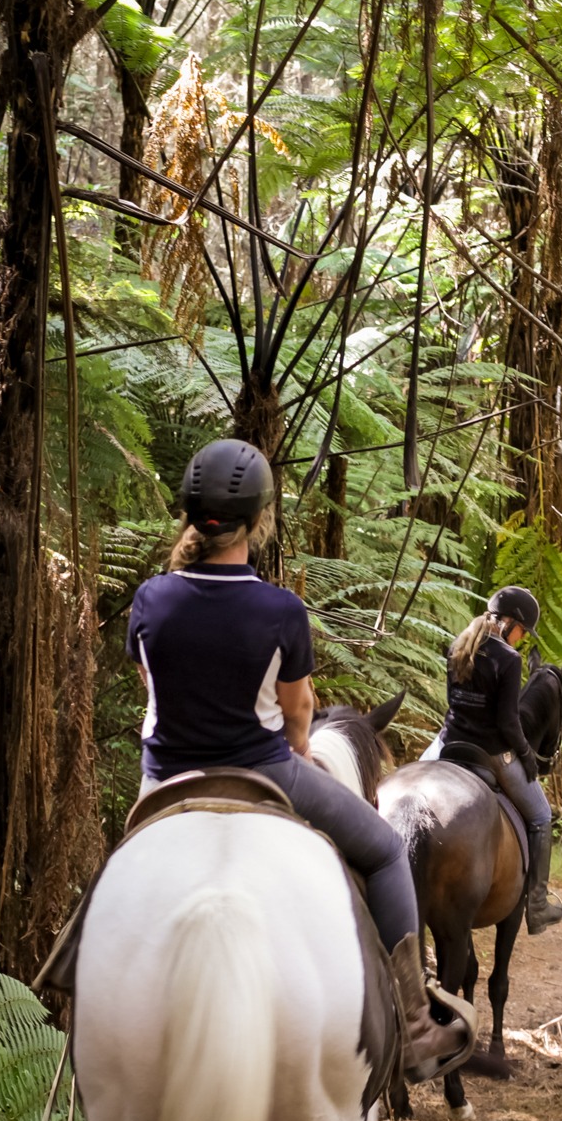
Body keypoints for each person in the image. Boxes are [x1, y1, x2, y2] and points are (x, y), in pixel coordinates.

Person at [127, 438, 469, 1083]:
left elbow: (154, 684)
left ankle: (75, 996)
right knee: (386, 850)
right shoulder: (280, 609)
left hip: (162, 781)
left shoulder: (150, 599)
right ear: (259, 520)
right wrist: (302, 751)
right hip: (265, 770)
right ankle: (416, 1023)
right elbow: (299, 709)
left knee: (116, 879)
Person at [427, 587, 562, 934]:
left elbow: (451, 702)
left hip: (447, 742)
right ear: (510, 623)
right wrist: (525, 756)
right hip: (489, 752)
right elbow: (507, 723)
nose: (521, 640)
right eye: (522, 631)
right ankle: (536, 903)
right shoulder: (508, 658)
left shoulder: (458, 644)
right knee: (541, 816)